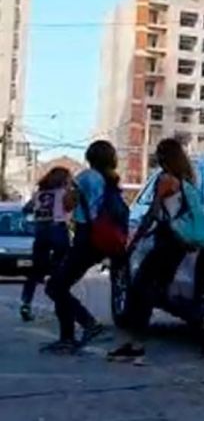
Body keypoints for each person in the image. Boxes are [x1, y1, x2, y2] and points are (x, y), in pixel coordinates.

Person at [108, 138, 204, 362]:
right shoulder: (186, 181)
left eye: (159, 153)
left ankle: (138, 343)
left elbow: (153, 213)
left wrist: (134, 241)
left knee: (141, 288)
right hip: (179, 242)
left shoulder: (165, 179)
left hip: (167, 240)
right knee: (157, 291)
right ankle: (202, 323)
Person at [43, 141, 120, 354]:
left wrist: (69, 188)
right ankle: (67, 337)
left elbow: (67, 204)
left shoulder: (86, 177)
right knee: (61, 285)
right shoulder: (110, 180)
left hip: (85, 238)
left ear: (90, 156)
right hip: (99, 241)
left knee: (55, 287)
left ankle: (88, 324)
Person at [20, 167, 74, 322]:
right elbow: (71, 207)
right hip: (57, 229)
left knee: (35, 270)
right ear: (64, 179)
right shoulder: (64, 193)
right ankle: (60, 304)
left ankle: (26, 303)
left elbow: (26, 209)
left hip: (41, 232)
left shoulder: (39, 194)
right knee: (61, 270)